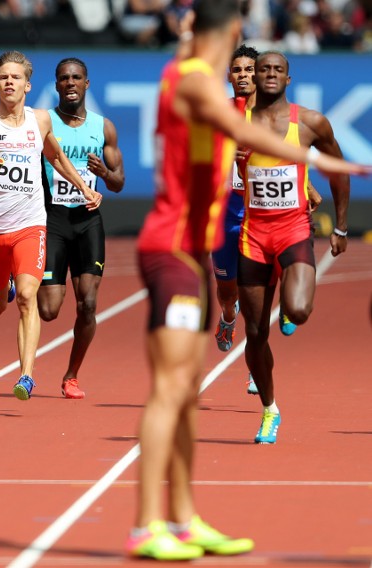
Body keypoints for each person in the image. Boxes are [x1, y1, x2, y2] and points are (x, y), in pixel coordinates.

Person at [128, 0, 368, 560]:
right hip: (173, 248)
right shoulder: (194, 83)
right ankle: (146, 526)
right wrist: (335, 164)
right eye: (246, 65)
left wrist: (320, 168)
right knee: (170, 389)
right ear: (234, 34)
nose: (250, 74)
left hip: (205, 245)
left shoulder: (204, 84)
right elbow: (244, 129)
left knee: (185, 390)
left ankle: (184, 520)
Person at [0, 50, 102, 402]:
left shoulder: (41, 121)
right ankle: (3, 286)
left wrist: (84, 188)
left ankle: (27, 375)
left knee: (29, 298)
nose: (9, 82)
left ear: (27, 85)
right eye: (3, 77)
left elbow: (57, 158)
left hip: (30, 224)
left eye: (15, 77)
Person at [238, 50, 351, 445]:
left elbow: (337, 171)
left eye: (277, 69)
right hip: (253, 234)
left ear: (289, 78)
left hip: (293, 229)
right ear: (255, 78)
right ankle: (270, 409)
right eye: (263, 69)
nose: (269, 74)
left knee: (299, 310)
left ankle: (288, 297)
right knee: (254, 333)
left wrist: (340, 225)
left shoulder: (309, 123)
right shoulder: (237, 124)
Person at [37, 57, 124, 400]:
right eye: (63, 78)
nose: (70, 83)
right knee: (48, 311)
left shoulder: (104, 128)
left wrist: (103, 173)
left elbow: (118, 183)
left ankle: (71, 375)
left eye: (76, 77)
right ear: (56, 85)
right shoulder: (43, 124)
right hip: (53, 219)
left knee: (88, 304)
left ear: (87, 83)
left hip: (88, 222)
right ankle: (19, 271)